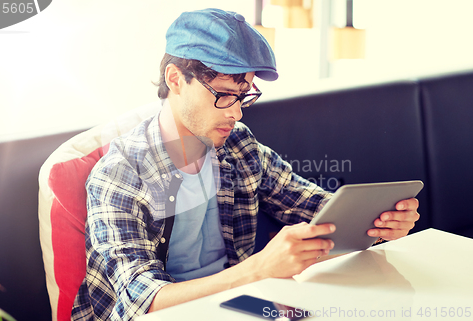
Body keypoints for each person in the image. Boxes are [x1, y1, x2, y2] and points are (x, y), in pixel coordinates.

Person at [71, 8, 420, 321]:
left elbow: (315, 207)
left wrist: (377, 222)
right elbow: (141, 302)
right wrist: (259, 270)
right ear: (175, 79)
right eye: (222, 95)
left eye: (244, 97)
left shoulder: (238, 146)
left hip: (235, 303)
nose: (235, 113)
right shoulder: (121, 173)